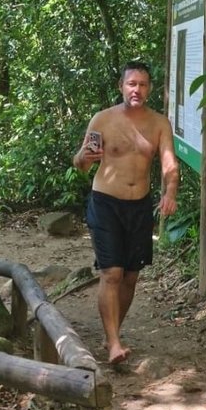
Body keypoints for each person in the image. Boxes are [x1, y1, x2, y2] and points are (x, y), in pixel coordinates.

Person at [73, 62, 179, 365]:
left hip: (140, 205)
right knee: (112, 273)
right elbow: (81, 164)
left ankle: (112, 333)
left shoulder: (159, 123)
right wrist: (83, 157)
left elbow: (169, 164)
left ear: (150, 89)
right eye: (132, 84)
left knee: (131, 276)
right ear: (122, 87)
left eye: (143, 84)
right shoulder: (103, 119)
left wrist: (170, 192)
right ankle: (114, 343)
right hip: (105, 202)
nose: (137, 89)